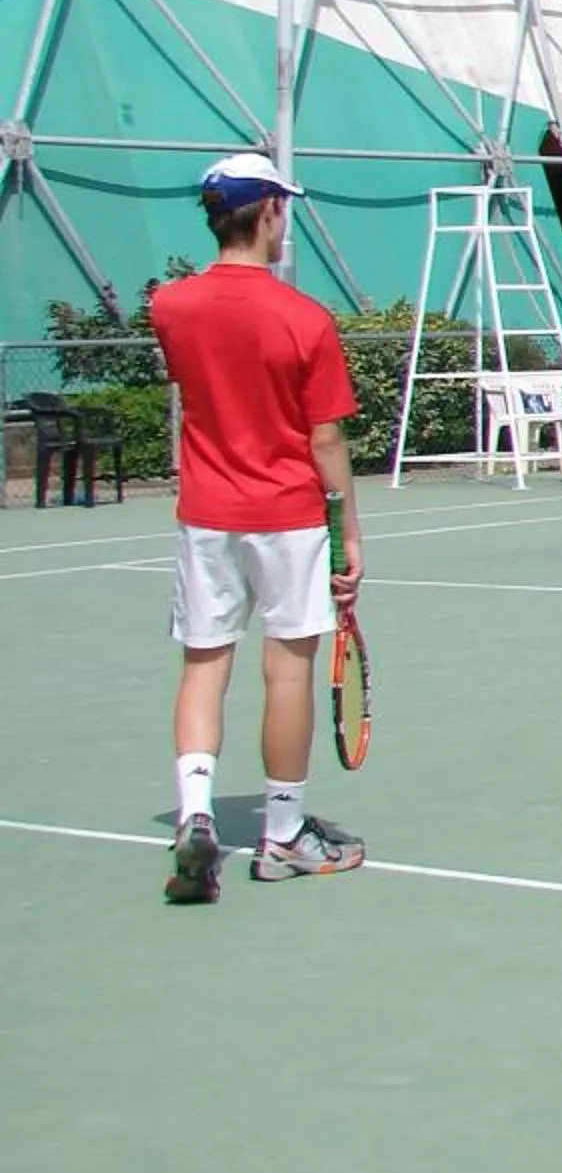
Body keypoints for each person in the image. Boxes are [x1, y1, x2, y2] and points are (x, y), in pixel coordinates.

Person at [147, 153, 366, 904]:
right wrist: (349, 535)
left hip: (205, 517)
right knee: (288, 669)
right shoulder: (305, 319)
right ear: (270, 210)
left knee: (203, 665)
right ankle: (282, 835)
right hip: (288, 517)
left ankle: (196, 815)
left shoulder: (169, 307)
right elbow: (325, 440)